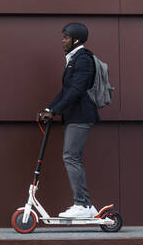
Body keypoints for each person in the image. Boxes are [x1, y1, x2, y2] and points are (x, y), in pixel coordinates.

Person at [40, 23, 99, 218]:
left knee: (71, 156)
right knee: (71, 156)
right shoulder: (73, 59)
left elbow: (76, 90)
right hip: (74, 116)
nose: (62, 41)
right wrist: (50, 108)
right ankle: (86, 206)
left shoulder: (83, 59)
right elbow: (66, 90)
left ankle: (82, 205)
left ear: (77, 40)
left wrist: (56, 110)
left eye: (65, 37)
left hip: (81, 116)